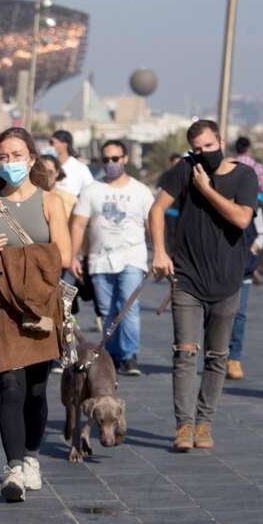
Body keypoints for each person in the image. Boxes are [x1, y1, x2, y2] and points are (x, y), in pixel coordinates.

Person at [0, 128, 71, 502]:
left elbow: (65, 256)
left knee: (37, 390)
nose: (10, 163)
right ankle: (12, 468)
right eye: (3, 157)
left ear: (32, 159)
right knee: (10, 387)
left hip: (42, 308)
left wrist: (18, 260)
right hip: (3, 308)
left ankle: (31, 456)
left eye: (17, 155)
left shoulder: (51, 203)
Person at [149, 119, 258, 452]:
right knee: (184, 354)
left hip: (228, 280)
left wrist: (207, 190)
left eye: (208, 147)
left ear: (221, 142)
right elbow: (156, 210)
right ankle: (183, 427)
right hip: (187, 279)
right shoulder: (184, 169)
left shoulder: (244, 176)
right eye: (196, 149)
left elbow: (241, 218)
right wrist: (159, 251)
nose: (202, 154)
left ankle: (204, 424)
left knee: (217, 357)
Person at [69, 140, 154, 376]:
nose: (110, 164)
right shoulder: (92, 190)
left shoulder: (140, 191)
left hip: (132, 256)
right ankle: (114, 354)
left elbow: (154, 222)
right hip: (99, 259)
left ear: (125, 159)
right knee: (107, 311)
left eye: (115, 159)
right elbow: (78, 225)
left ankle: (130, 355)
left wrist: (160, 251)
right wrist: (73, 256)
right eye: (105, 160)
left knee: (128, 306)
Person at [226, 206, 263, 380]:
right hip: (216, 269)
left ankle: (234, 359)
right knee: (216, 314)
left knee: (239, 314)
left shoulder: (254, 202)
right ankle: (215, 355)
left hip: (243, 268)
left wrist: (251, 251)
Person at [49, 129, 95, 198]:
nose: (50, 146)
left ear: (64, 144)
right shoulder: (49, 166)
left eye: (52, 143)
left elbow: (91, 190)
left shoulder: (80, 167)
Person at [39, 153, 77, 219]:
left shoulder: (71, 200)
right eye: (42, 171)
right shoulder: (30, 197)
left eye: (49, 172)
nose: (45, 176)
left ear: (57, 173)